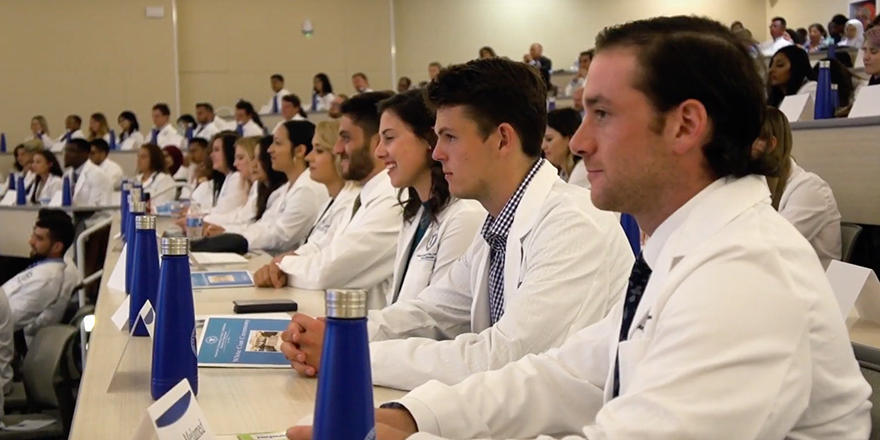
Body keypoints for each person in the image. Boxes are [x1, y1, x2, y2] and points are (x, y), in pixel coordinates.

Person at [286, 16, 871, 440]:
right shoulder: (683, 250)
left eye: (604, 114)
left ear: (686, 125)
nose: (580, 140)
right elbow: (572, 374)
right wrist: (420, 417)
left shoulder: (746, 270)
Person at [280, 59, 633, 392]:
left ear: (502, 139)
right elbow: (431, 312)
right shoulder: (498, 224)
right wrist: (342, 334)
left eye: (450, 137)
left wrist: (349, 355)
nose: (437, 154)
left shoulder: (573, 226)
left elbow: (504, 358)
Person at [253, 92, 401, 310]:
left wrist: (281, 265)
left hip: (367, 331)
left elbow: (327, 272)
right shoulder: (362, 196)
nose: (338, 149)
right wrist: (285, 263)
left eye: (346, 138)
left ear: (376, 143)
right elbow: (321, 247)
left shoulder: (391, 199)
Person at [375, 90, 484, 305]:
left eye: (389, 138)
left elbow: (439, 317)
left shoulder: (465, 217)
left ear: (428, 139)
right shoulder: (416, 213)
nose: (379, 152)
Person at [198, 122, 330, 253]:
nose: (269, 149)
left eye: (277, 143)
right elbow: (263, 225)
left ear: (299, 150)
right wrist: (227, 232)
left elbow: (281, 236)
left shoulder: (306, 189)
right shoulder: (285, 189)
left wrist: (234, 238)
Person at [752, 107, 841, 267]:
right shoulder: (755, 183)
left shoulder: (810, 189)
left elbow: (769, 247)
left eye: (748, 142)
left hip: (812, 287)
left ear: (771, 144)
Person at [2, 209, 75, 342]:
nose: (31, 241)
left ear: (57, 247)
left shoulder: (47, 280)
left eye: (39, 238)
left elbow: (7, 321)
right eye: (33, 235)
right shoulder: (43, 269)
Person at [300, 120, 360, 250]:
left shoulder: (351, 203)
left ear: (339, 155)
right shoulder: (331, 201)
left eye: (319, 150)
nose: (308, 157)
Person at [202, 136, 260, 233]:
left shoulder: (239, 179)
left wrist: (203, 220)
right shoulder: (250, 183)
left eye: (240, 158)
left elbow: (243, 217)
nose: (235, 163)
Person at [56, 138, 112, 207]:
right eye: (66, 151)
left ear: (85, 154)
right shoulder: (67, 175)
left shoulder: (98, 175)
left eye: (71, 151)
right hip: (72, 216)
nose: (66, 155)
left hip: (96, 217)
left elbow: (94, 206)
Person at [542, 107, 588, 187]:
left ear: (570, 139)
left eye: (549, 139)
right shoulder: (564, 173)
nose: (543, 146)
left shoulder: (582, 171)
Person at [207, 131, 248, 215]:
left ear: (229, 152)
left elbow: (224, 211)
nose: (211, 155)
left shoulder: (237, 177)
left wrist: (198, 216)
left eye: (217, 150)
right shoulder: (228, 177)